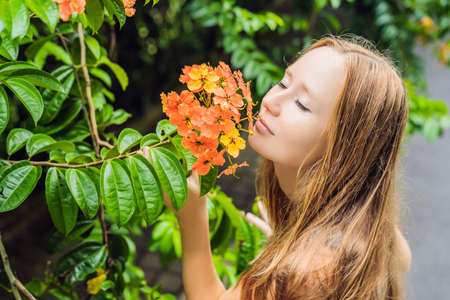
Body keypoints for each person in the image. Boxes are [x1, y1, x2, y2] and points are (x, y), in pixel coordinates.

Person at [140, 33, 412, 300]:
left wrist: (192, 215)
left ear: (345, 148)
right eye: (284, 83)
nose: (270, 102)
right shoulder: (366, 223)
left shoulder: (302, 274)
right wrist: (295, 242)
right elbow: (401, 258)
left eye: (302, 105)